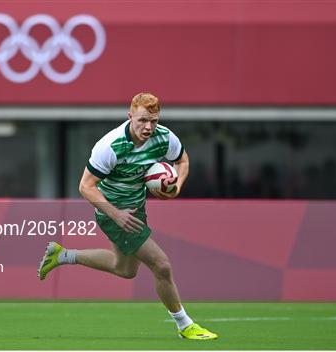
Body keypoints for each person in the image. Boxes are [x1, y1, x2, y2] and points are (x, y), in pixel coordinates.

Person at [37, 92, 218, 340]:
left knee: (124, 269)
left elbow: (182, 161)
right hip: (112, 210)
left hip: (136, 208)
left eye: (153, 121)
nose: (148, 127)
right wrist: (116, 214)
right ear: (130, 116)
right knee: (161, 264)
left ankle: (62, 255)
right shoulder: (110, 146)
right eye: (142, 120)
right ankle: (185, 325)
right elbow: (85, 186)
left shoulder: (164, 138)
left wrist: (177, 185)